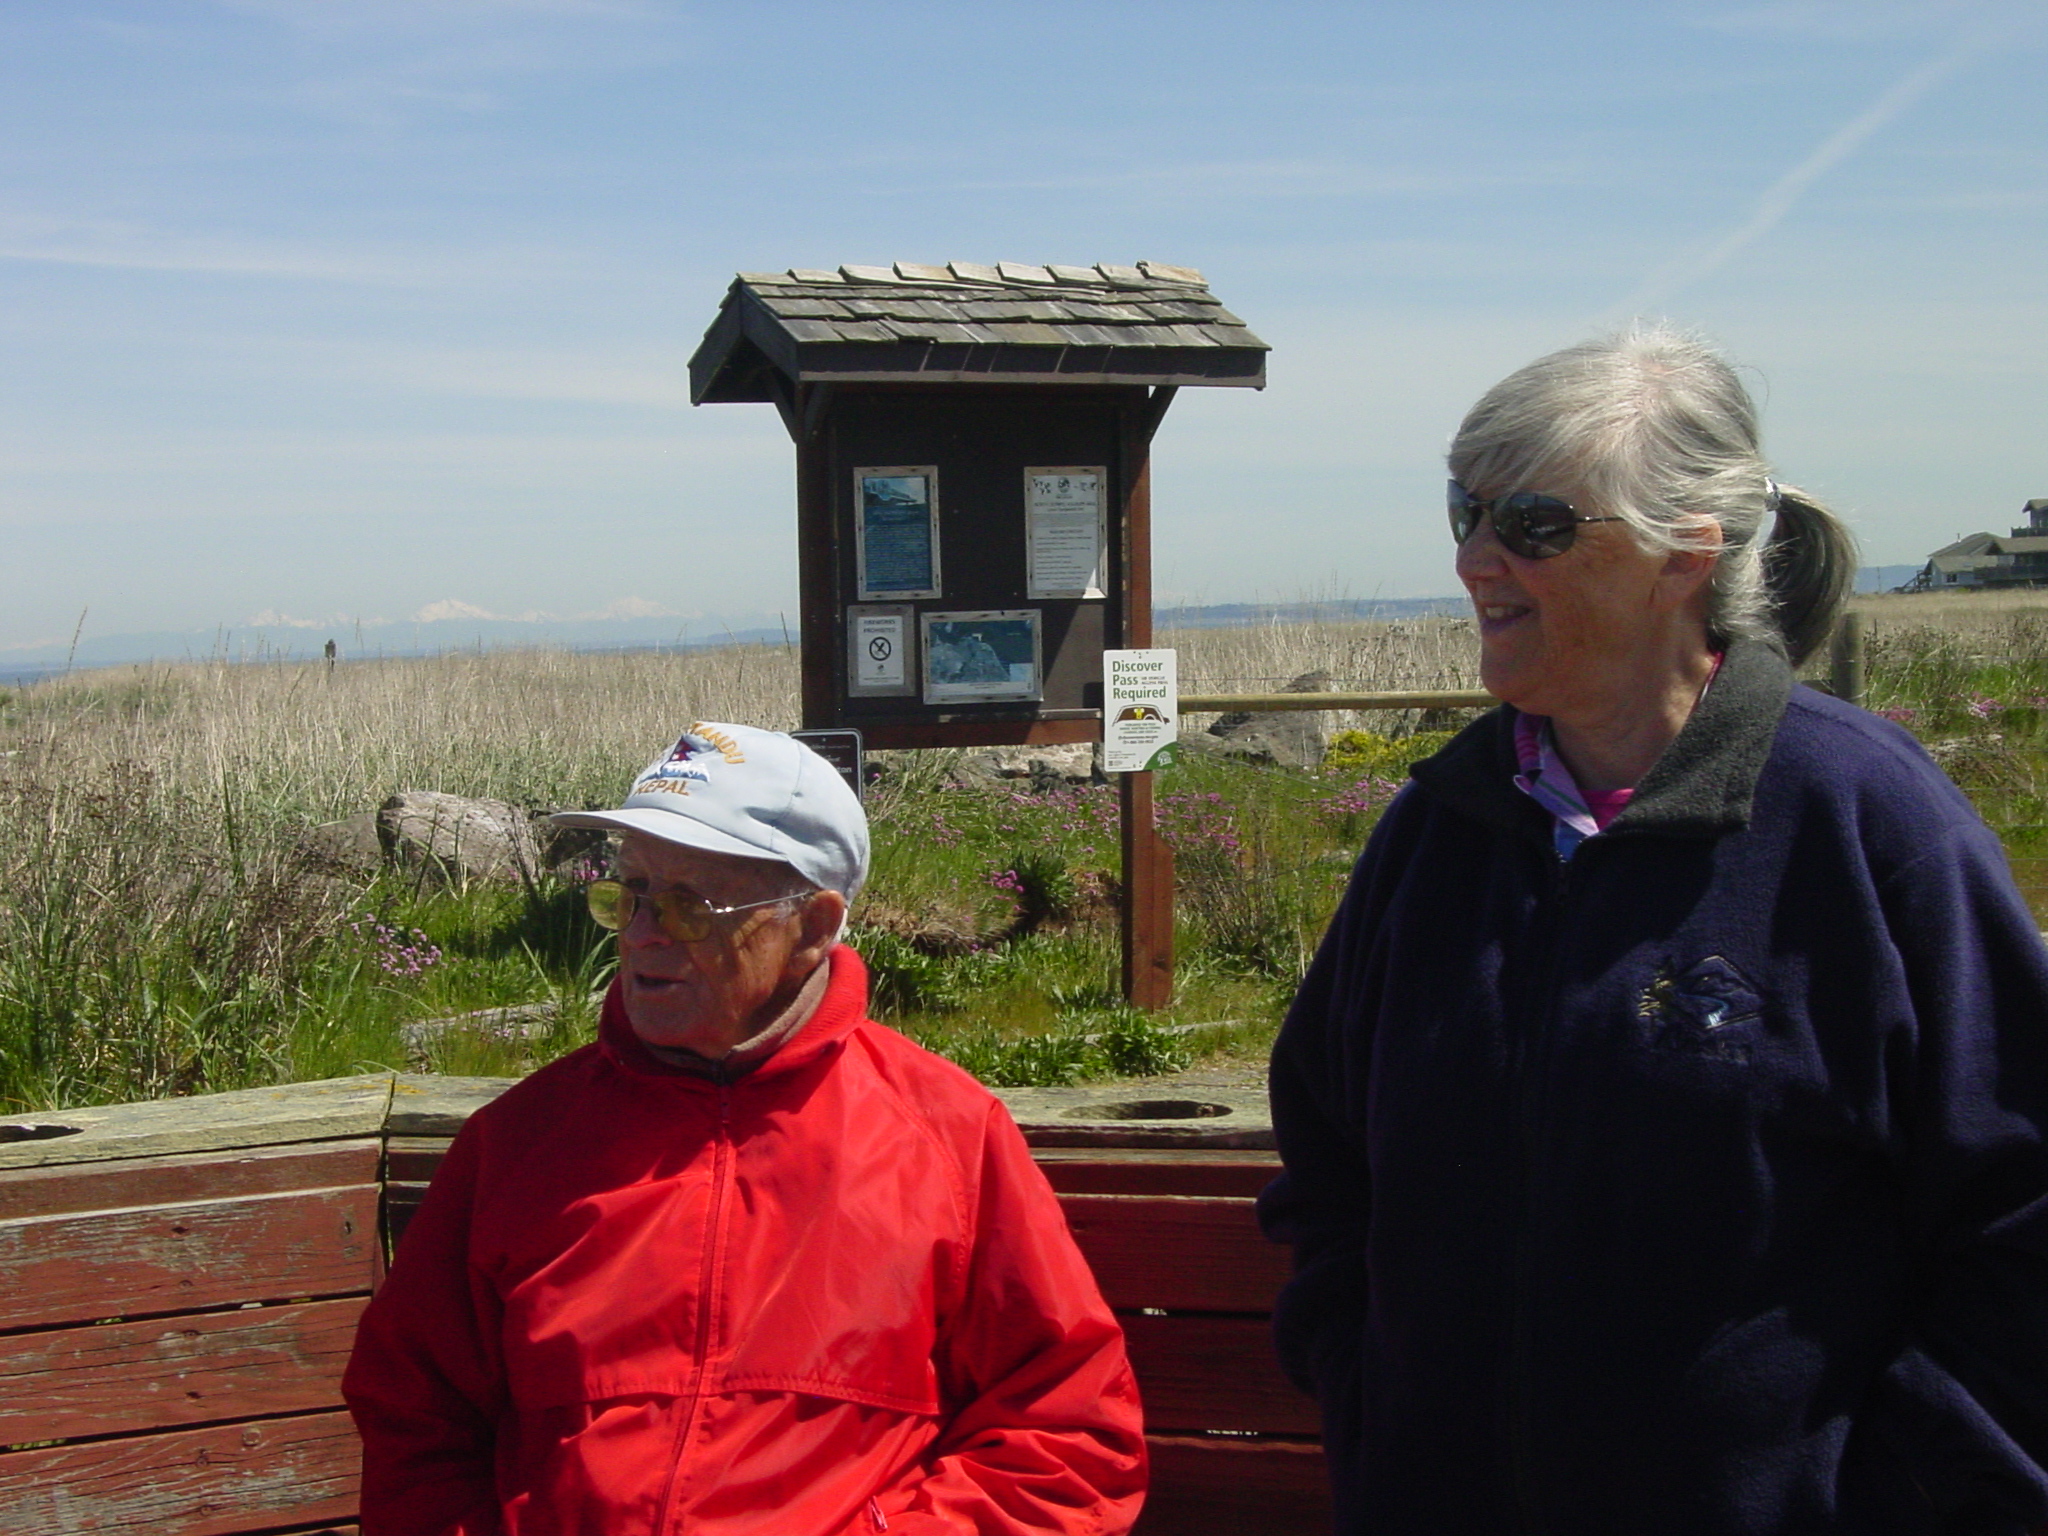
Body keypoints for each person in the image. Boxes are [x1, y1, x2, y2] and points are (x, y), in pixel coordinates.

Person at [1258, 327, 2048, 1534]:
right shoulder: (1436, 828)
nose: (1473, 558)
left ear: (1686, 555)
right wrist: (1365, 1386)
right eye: (1461, 511)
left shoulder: (1861, 822)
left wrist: (1906, 1489)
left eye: (1531, 524)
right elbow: (1325, 1154)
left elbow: (2020, 1208)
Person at [344, 722, 1146, 1535]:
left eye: (691, 906)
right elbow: (416, 1419)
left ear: (813, 926)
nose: (641, 932)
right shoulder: (517, 1142)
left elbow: (1067, 1434)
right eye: (629, 893)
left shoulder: (948, 1136)